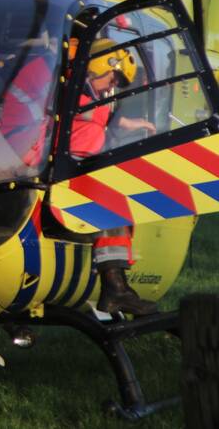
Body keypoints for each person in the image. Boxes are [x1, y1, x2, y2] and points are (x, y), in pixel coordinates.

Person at [72, 38, 157, 316]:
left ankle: (117, 287)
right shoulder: (68, 89)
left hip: (82, 168)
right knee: (110, 206)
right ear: (99, 65)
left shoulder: (88, 93)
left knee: (118, 198)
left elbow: (101, 117)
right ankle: (115, 289)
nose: (112, 86)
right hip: (68, 169)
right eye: (113, 77)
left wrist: (135, 123)